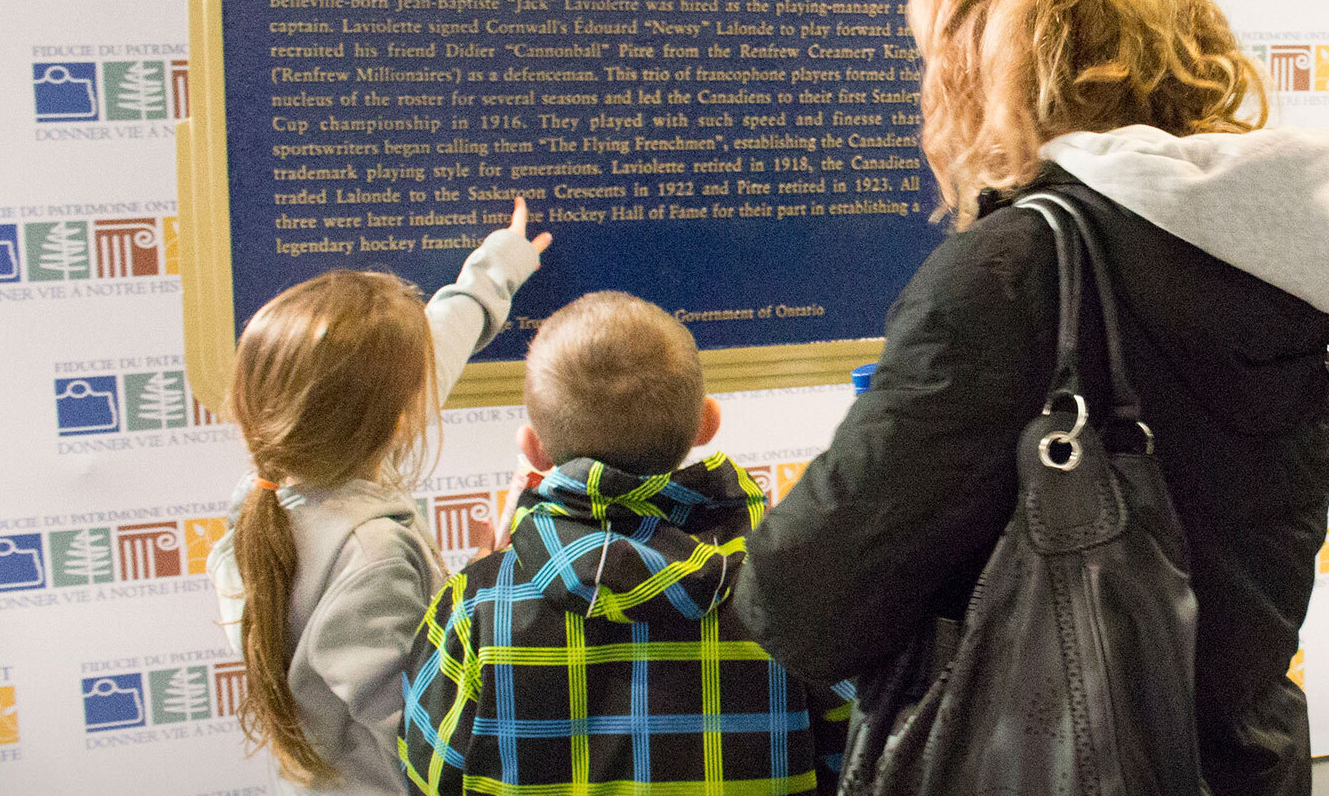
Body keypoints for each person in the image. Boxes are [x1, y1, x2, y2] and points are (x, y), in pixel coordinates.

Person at [731, 0, 1329, 796]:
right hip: (1245, 759)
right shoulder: (1300, 256)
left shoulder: (1017, 268)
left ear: (987, 52)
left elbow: (803, 607)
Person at [397, 291, 854, 794]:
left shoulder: (475, 608)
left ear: (534, 448)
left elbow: (428, 776)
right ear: (708, 422)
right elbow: (853, 760)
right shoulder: (798, 596)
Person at [206, 199, 551, 794]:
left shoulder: (271, 499)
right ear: (396, 422)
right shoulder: (372, 556)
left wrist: (495, 272)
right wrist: (477, 599)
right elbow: (423, 741)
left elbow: (423, 362)